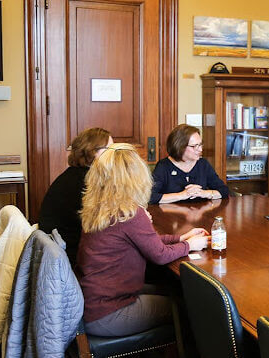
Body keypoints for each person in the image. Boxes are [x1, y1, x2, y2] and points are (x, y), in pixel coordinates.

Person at [77, 142, 209, 337]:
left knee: (172, 290)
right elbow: (159, 255)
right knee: (189, 308)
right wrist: (190, 245)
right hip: (109, 313)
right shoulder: (129, 212)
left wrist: (180, 237)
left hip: (94, 303)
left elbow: (145, 241)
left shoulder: (101, 206)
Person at [38, 127, 113, 265]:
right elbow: (103, 224)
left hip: (60, 250)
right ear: (92, 151)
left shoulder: (74, 175)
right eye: (109, 149)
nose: (114, 154)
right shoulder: (86, 181)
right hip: (71, 256)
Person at [150, 124, 229, 204]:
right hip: (171, 215)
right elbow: (150, 197)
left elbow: (224, 190)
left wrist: (203, 193)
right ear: (180, 147)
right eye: (194, 146)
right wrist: (182, 195)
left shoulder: (203, 164)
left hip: (200, 214)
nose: (200, 149)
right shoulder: (163, 166)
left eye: (200, 144)